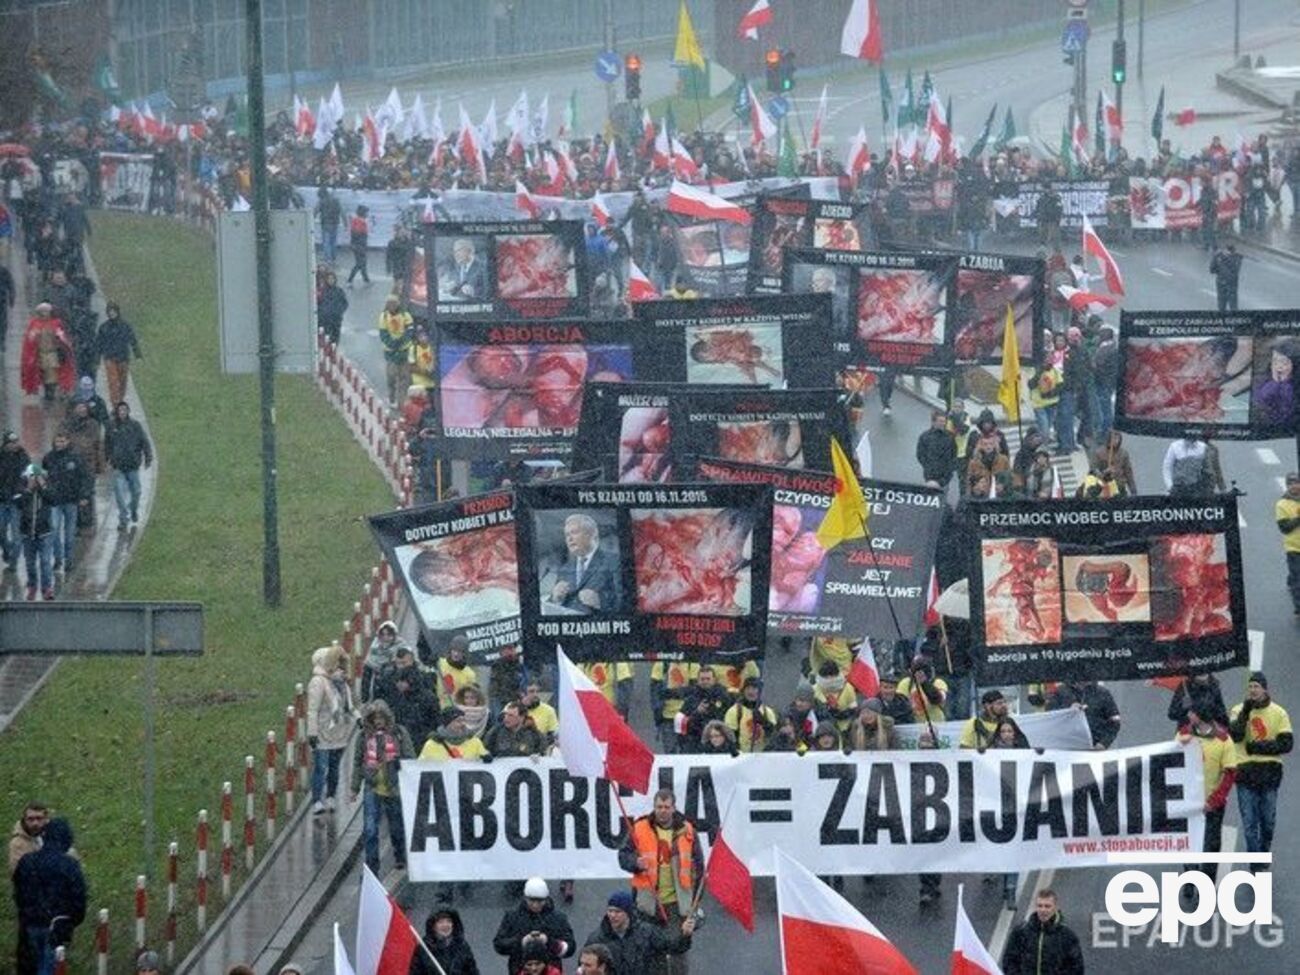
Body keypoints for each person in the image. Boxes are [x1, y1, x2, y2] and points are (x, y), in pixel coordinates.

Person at [618, 788, 703, 968]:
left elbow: (700, 869)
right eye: (659, 807)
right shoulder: (640, 828)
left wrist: (695, 904)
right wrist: (635, 862)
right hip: (648, 904)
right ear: (654, 807)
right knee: (650, 953)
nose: (662, 811)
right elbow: (623, 856)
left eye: (666, 807)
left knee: (678, 951)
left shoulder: (688, 831)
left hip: (677, 904)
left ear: (673, 808)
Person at [1228, 672, 1292, 860]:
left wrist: (1256, 747)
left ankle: (1264, 850)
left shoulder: (1279, 712)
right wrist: (1246, 712)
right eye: (1251, 686)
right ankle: (1257, 862)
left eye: (1257, 686)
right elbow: (1236, 735)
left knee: (1268, 822)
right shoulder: (1238, 710)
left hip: (1269, 773)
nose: (1253, 690)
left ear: (1265, 689)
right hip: (1245, 774)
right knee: (1249, 823)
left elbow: (1286, 744)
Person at [12, 817, 86, 975]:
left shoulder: (27, 861)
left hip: (29, 926)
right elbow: (79, 899)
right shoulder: (69, 865)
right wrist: (71, 921)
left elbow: (18, 893)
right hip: (56, 926)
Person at [350, 699, 415, 875]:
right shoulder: (363, 737)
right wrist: (354, 788)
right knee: (370, 829)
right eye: (374, 718)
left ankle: (400, 855)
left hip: (394, 787)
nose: (378, 721)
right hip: (372, 786)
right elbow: (357, 762)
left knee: (396, 827)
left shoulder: (399, 733)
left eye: (381, 717)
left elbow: (410, 758)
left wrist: (396, 762)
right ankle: (372, 865)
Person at [1176, 703, 1237, 887]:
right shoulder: (1183, 734)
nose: (1188, 714)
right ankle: (1190, 878)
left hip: (1212, 804)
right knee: (1188, 842)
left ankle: (1207, 883)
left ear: (1200, 715)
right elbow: (1172, 762)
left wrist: (1214, 801)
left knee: (1211, 844)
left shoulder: (1224, 740)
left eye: (1192, 711)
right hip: (1189, 802)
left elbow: (1230, 774)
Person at [583, 890, 695, 975]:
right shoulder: (596, 939)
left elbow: (673, 947)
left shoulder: (647, 932)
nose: (612, 915)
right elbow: (584, 967)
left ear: (628, 913)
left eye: (617, 912)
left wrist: (685, 935)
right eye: (610, 911)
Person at [492, 878, 576, 975]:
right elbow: (499, 945)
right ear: (525, 898)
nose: (535, 905)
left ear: (546, 899)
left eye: (540, 901)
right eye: (531, 900)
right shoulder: (512, 917)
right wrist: (521, 942)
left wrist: (549, 942)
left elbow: (571, 948)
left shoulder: (559, 919)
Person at [306, 644, 354, 815]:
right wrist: (312, 732)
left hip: (339, 731)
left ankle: (331, 796)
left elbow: (347, 705)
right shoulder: (318, 682)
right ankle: (317, 799)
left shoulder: (341, 682)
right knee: (321, 767)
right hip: (323, 732)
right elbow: (313, 709)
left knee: (334, 767)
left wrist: (358, 719)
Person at [1000, 889, 1083, 975]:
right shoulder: (1020, 932)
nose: (1043, 910)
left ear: (1055, 907)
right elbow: (1009, 961)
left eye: (1047, 906)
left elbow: (1076, 968)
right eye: (1040, 906)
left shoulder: (1067, 936)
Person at [41, 432, 89, 575]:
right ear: (54, 442)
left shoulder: (75, 458)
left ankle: (69, 560)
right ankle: (58, 559)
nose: (60, 444)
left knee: (69, 534)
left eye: (62, 441)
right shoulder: (48, 458)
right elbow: (43, 477)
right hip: (54, 501)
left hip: (71, 501)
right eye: (58, 441)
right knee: (54, 531)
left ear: (67, 441)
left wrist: (84, 496)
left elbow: (85, 477)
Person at [377, 646, 436, 750]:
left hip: (420, 730)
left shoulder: (424, 679)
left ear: (412, 661)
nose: (401, 667)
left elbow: (432, 708)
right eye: (398, 663)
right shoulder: (388, 679)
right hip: (396, 731)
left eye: (404, 663)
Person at [105, 401, 152, 530]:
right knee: (119, 494)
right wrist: (107, 459)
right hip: (118, 466)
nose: (122, 412)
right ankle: (123, 518)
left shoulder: (135, 425)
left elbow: (144, 442)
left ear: (128, 411)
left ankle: (133, 509)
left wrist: (148, 458)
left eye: (125, 410)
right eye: (120, 410)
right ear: (117, 411)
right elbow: (107, 444)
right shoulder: (111, 426)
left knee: (136, 492)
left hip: (132, 465)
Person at [19, 303, 75, 402]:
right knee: (43, 375)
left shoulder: (56, 323)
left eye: (46, 311)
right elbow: (29, 340)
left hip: (52, 354)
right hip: (40, 354)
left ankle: (50, 394)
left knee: (51, 375)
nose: (44, 314)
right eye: (42, 312)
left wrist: (59, 338)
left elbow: (62, 337)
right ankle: (48, 392)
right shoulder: (34, 323)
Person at [15, 465, 55, 601]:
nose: (35, 480)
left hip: (45, 532)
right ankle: (32, 586)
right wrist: (28, 489)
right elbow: (18, 502)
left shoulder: (47, 487)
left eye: (37, 477)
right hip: (27, 533)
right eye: (32, 477)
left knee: (45, 562)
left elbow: (53, 499)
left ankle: (47, 588)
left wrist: (43, 486)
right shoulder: (21, 487)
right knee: (30, 563)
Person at [1047, 679, 1120, 749]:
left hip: (1093, 751)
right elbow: (1050, 718)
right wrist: (1068, 710)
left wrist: (1103, 743)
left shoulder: (1103, 693)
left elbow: (1115, 722)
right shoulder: (1060, 691)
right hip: (1065, 750)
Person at [96, 302, 142, 407]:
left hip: (123, 357)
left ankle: (120, 399)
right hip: (110, 357)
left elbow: (132, 340)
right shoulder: (104, 327)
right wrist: (97, 359)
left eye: (113, 312)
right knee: (113, 381)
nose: (111, 314)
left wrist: (137, 354)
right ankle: (115, 403)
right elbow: (99, 344)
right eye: (109, 312)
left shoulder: (125, 326)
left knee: (122, 381)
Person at [413, 907, 480, 975]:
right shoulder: (424, 949)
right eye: (441, 922)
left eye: (449, 921)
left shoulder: (462, 947)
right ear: (433, 926)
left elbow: (473, 972)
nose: (445, 925)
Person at [678, 668, 730, 751]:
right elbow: (683, 725)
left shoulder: (724, 697)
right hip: (696, 742)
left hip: (719, 743)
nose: (705, 682)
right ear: (698, 680)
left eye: (708, 679)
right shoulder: (690, 700)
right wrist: (697, 713)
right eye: (702, 679)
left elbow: (729, 720)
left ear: (714, 680)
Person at [723, 676, 778, 753]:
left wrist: (764, 722)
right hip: (742, 757)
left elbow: (773, 736)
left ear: (759, 692)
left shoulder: (768, 712)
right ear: (743, 691)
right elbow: (730, 737)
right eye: (748, 688)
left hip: (762, 757)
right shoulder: (734, 711)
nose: (750, 692)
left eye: (754, 688)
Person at [0, 431, 29, 570]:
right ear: (5, 443)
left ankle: (13, 562)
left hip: (17, 502)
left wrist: (23, 492)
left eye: (16, 441)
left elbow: (29, 477)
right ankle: (6, 550)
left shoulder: (23, 457)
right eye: (11, 442)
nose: (15, 444)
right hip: (1, 501)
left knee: (17, 535)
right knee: (1, 531)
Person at [378, 297, 414, 407]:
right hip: (390, 352)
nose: (392, 306)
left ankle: (401, 401)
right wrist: (393, 344)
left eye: (394, 304)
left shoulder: (405, 315)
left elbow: (409, 331)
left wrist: (401, 342)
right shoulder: (383, 317)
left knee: (404, 378)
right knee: (391, 376)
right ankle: (392, 398)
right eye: (390, 304)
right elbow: (383, 334)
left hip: (404, 350)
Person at [419, 706, 489, 760]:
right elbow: (422, 767)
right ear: (447, 724)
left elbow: (484, 758)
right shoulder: (432, 744)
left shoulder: (474, 742)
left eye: (463, 720)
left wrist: (487, 758)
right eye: (458, 721)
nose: (462, 724)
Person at [896, 655, 947, 726]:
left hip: (936, 724)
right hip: (913, 726)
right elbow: (899, 706)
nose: (920, 672)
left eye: (924, 669)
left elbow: (939, 700)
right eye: (917, 669)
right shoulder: (905, 683)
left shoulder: (938, 682)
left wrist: (924, 683)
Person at [363, 619, 407, 701]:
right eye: (383, 635)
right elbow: (370, 662)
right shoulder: (375, 646)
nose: (385, 638)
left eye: (389, 635)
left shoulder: (401, 645)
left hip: (394, 678)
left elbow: (406, 662)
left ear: (394, 635)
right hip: (378, 679)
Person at [915, 409, 958, 491]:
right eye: (940, 421)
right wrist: (928, 467)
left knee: (943, 497)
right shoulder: (925, 436)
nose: (943, 423)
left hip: (945, 475)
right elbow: (920, 455)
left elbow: (954, 454)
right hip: (930, 474)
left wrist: (951, 469)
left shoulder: (950, 436)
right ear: (933, 422)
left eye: (944, 421)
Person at [1277, 473, 1300, 615]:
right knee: (1298, 578)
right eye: (1291, 483)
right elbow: (1284, 528)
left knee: (1295, 575)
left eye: (1296, 482)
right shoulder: (1282, 504)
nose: (1294, 486)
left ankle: (1290, 580)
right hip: (1294, 548)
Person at [436, 636, 478, 711]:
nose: (456, 654)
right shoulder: (439, 663)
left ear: (465, 653)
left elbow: (471, 697)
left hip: (455, 712)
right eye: (454, 650)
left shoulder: (469, 674)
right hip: (436, 708)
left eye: (460, 651)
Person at [1091, 430, 1136, 497]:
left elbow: (1128, 472)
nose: (1115, 441)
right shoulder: (1099, 453)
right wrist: (1104, 474)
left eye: (1117, 438)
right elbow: (1093, 469)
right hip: (1104, 487)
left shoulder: (1123, 454)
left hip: (1119, 487)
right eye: (1113, 438)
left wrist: (1133, 490)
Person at [8, 802, 49, 876]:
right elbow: (19, 873)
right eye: (30, 819)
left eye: (39, 818)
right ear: (24, 820)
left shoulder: (55, 836)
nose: (35, 823)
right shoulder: (18, 843)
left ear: (46, 819)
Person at [316, 271, 348, 346]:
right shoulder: (322, 291)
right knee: (326, 340)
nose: (331, 280)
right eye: (329, 279)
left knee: (335, 340)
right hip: (325, 320)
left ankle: (333, 352)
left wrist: (339, 311)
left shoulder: (339, 291)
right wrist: (322, 312)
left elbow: (345, 303)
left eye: (332, 279)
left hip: (336, 320)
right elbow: (318, 303)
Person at [1210, 243, 1242, 311]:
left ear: (1225, 249)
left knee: (1221, 302)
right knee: (1233, 303)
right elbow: (1236, 270)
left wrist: (1220, 271)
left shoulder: (1218, 256)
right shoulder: (1238, 257)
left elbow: (1212, 270)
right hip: (1233, 282)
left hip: (1221, 281)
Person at [315, 186, 341, 264]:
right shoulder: (336, 200)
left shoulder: (321, 201)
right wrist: (345, 223)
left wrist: (311, 218)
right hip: (335, 222)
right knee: (333, 241)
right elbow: (341, 211)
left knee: (326, 241)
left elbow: (315, 211)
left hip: (326, 223)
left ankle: (328, 258)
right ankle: (333, 258)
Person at [347, 205, 371, 285]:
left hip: (357, 246)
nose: (367, 214)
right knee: (360, 264)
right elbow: (358, 234)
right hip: (359, 246)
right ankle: (350, 280)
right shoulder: (360, 222)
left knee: (362, 263)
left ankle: (366, 280)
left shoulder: (356, 221)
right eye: (366, 212)